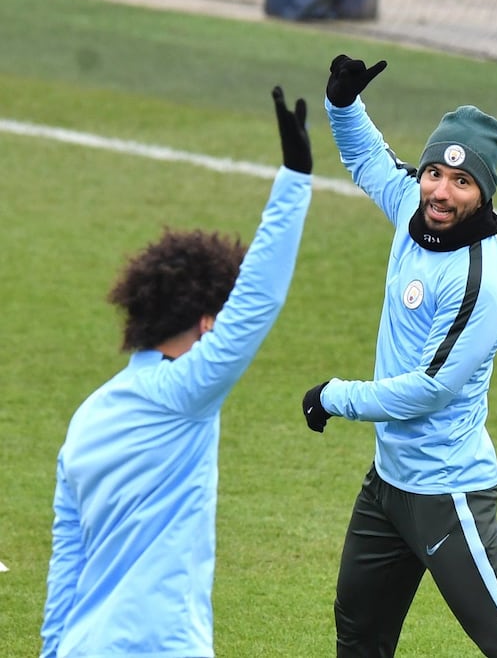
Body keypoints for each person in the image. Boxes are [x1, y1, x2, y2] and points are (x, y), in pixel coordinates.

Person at [300, 54, 497, 658]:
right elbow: (370, 161)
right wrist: (342, 105)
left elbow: (428, 388)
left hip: (446, 493)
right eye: (433, 174)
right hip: (388, 488)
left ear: (483, 193)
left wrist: (335, 396)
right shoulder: (413, 212)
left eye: (461, 182)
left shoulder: (480, 282)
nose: (441, 192)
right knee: (359, 630)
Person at [40, 87, 313, 658]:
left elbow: (67, 562)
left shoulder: (87, 418)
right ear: (209, 322)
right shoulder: (184, 394)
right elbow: (257, 300)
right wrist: (295, 177)